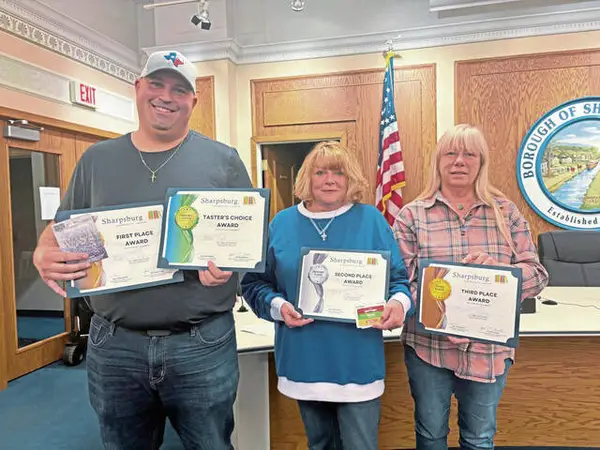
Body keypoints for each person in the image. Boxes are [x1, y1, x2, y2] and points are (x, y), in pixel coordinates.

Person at [32, 50, 252, 450]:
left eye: (179, 90)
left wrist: (229, 269)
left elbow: (246, 239)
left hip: (201, 344)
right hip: (115, 345)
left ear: (193, 101)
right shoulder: (97, 160)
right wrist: (42, 251)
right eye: (157, 84)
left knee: (211, 443)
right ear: (138, 87)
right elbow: (63, 225)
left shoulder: (223, 161)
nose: (166, 96)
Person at [241, 141, 412, 450]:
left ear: (351, 178)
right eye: (320, 172)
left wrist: (398, 304)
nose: (329, 180)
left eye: (338, 172)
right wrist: (279, 307)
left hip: (357, 361)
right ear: (307, 178)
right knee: (319, 444)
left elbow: (399, 281)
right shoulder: (281, 223)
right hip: (304, 358)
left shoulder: (371, 220)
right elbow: (254, 285)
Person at [393, 124, 549, 450]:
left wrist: (500, 274)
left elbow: (537, 274)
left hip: (487, 351)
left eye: (469, 154)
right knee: (430, 437)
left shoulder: (506, 213)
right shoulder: (412, 216)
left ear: (481, 162)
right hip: (429, 349)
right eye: (450, 153)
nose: (459, 161)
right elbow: (401, 284)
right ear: (438, 161)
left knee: (479, 439)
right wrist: (442, 318)